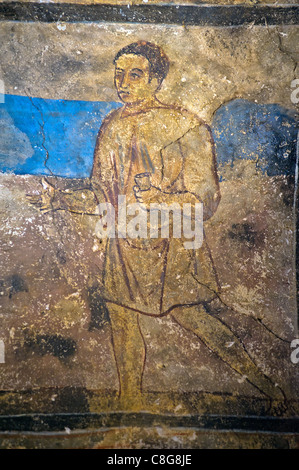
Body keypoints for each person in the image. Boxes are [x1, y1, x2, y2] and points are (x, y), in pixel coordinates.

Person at [28, 41, 286, 412]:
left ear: (157, 79)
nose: (124, 82)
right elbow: (103, 194)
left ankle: (270, 390)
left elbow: (205, 199)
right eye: (119, 74)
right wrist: (60, 199)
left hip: (173, 242)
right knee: (121, 318)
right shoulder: (111, 127)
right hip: (125, 239)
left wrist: (160, 201)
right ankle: (129, 401)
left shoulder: (186, 126)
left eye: (135, 74)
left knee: (196, 318)